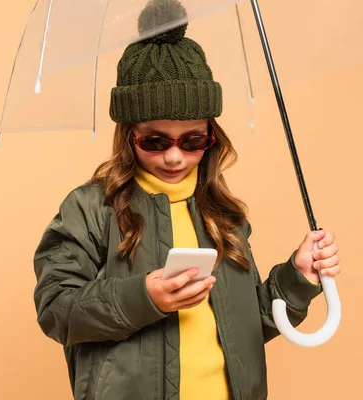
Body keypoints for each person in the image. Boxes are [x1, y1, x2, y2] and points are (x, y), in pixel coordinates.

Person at [32, 0, 341, 399]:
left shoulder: (222, 214)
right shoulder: (92, 209)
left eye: (192, 140)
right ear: (129, 135)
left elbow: (245, 329)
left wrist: (298, 278)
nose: (174, 156)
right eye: (155, 141)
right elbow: (57, 308)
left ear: (212, 135)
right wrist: (143, 298)